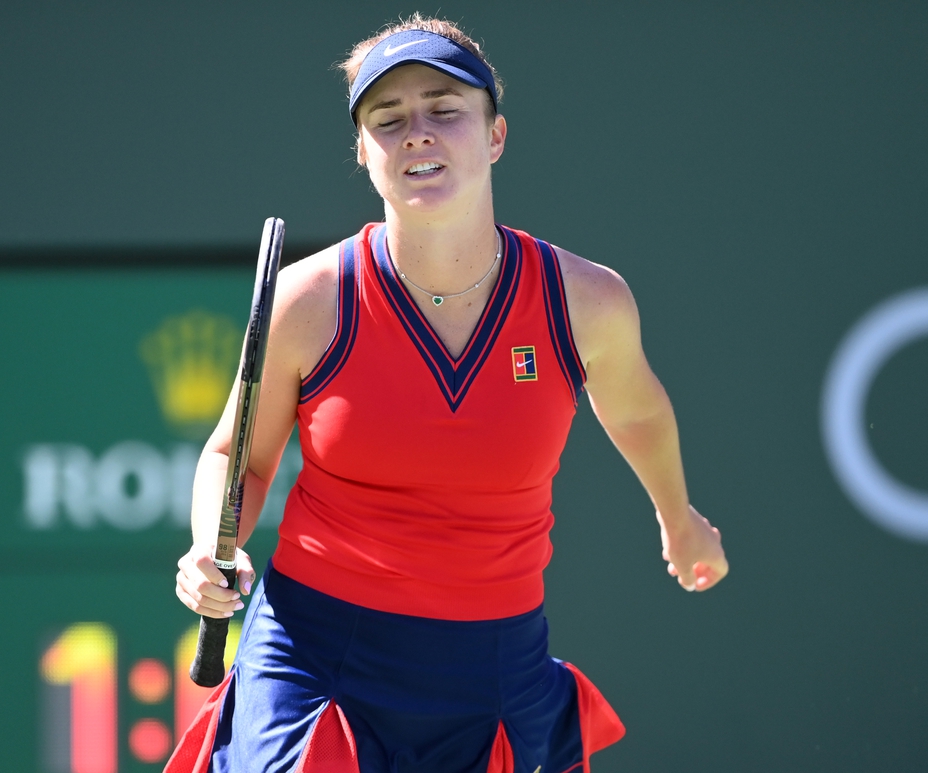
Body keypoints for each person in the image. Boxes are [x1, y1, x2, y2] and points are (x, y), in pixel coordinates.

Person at [168, 14, 728, 773]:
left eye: (445, 110)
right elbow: (237, 454)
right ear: (364, 153)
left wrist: (677, 516)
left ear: (496, 135)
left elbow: (634, 409)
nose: (417, 134)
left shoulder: (586, 299)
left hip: (492, 663)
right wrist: (210, 544)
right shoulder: (310, 301)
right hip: (316, 655)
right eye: (388, 120)